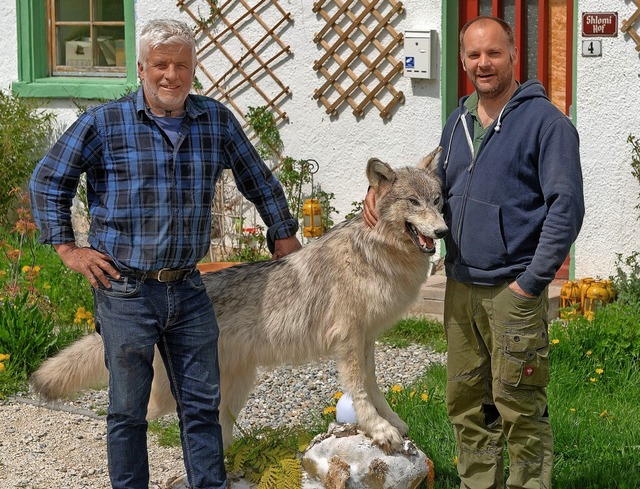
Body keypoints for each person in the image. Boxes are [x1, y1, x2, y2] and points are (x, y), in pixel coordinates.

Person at [29, 18, 301, 489]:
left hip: (190, 288)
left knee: (201, 405)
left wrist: (283, 233)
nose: (171, 75)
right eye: (160, 65)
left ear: (194, 69)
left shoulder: (213, 119)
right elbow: (48, 181)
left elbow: (256, 176)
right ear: (141, 68)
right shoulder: (104, 123)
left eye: (181, 65)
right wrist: (68, 250)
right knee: (129, 411)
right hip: (125, 290)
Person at [364, 16, 584, 489]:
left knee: (519, 408)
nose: (483, 64)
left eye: (494, 53)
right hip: (461, 287)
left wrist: (531, 284)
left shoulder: (547, 124)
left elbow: (566, 210)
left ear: (512, 56)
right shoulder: (459, 120)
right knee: (466, 405)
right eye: (474, 55)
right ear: (463, 61)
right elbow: (435, 184)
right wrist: (383, 192)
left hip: (513, 289)